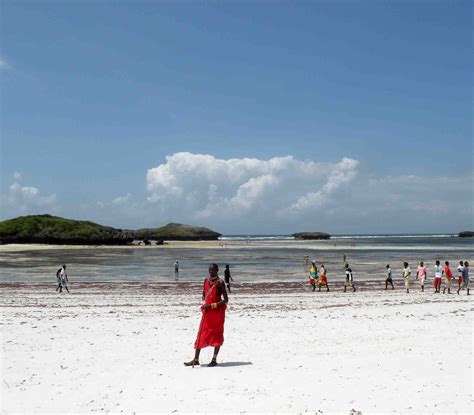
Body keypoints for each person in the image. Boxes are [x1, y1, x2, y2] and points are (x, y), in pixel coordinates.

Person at [184, 264, 228, 367]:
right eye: (210, 270)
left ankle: (214, 359)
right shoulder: (205, 280)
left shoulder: (220, 282)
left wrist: (212, 305)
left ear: (217, 270)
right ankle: (196, 359)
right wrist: (204, 296)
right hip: (207, 312)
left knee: (217, 333)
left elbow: (226, 300)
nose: (211, 271)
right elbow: (204, 293)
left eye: (213, 270)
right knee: (201, 333)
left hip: (217, 313)